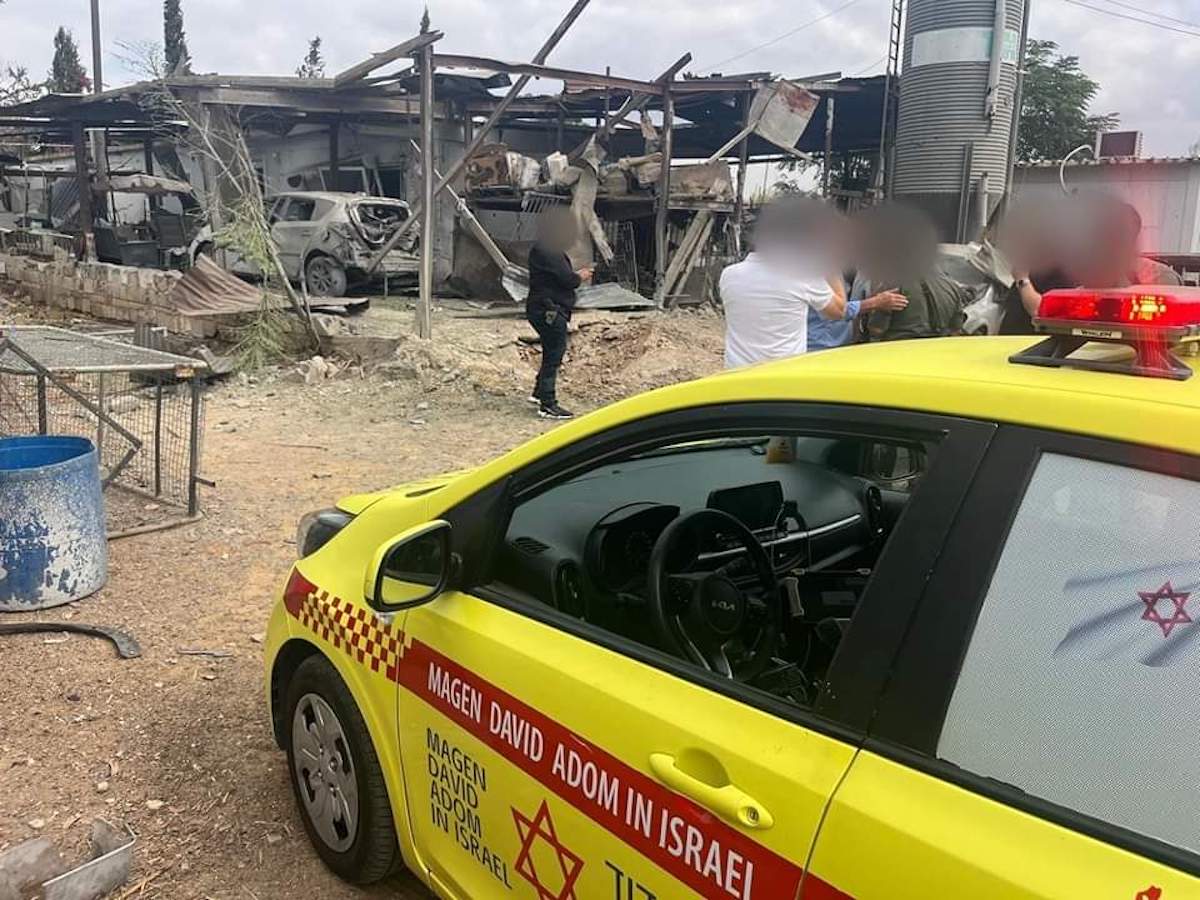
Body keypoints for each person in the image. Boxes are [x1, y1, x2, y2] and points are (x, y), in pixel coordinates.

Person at [721, 197, 903, 367]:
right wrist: (875, 302)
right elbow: (839, 310)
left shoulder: (729, 275)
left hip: (737, 373)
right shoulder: (805, 273)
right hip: (797, 364)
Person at [854, 203, 968, 342]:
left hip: (898, 350)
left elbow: (876, 329)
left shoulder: (892, 285)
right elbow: (956, 330)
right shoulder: (951, 287)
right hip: (935, 351)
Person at [526, 207, 593, 419]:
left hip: (545, 307)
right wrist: (580, 276)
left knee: (550, 350)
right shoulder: (548, 251)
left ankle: (539, 393)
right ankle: (548, 404)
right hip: (549, 309)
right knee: (554, 353)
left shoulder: (546, 249)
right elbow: (567, 279)